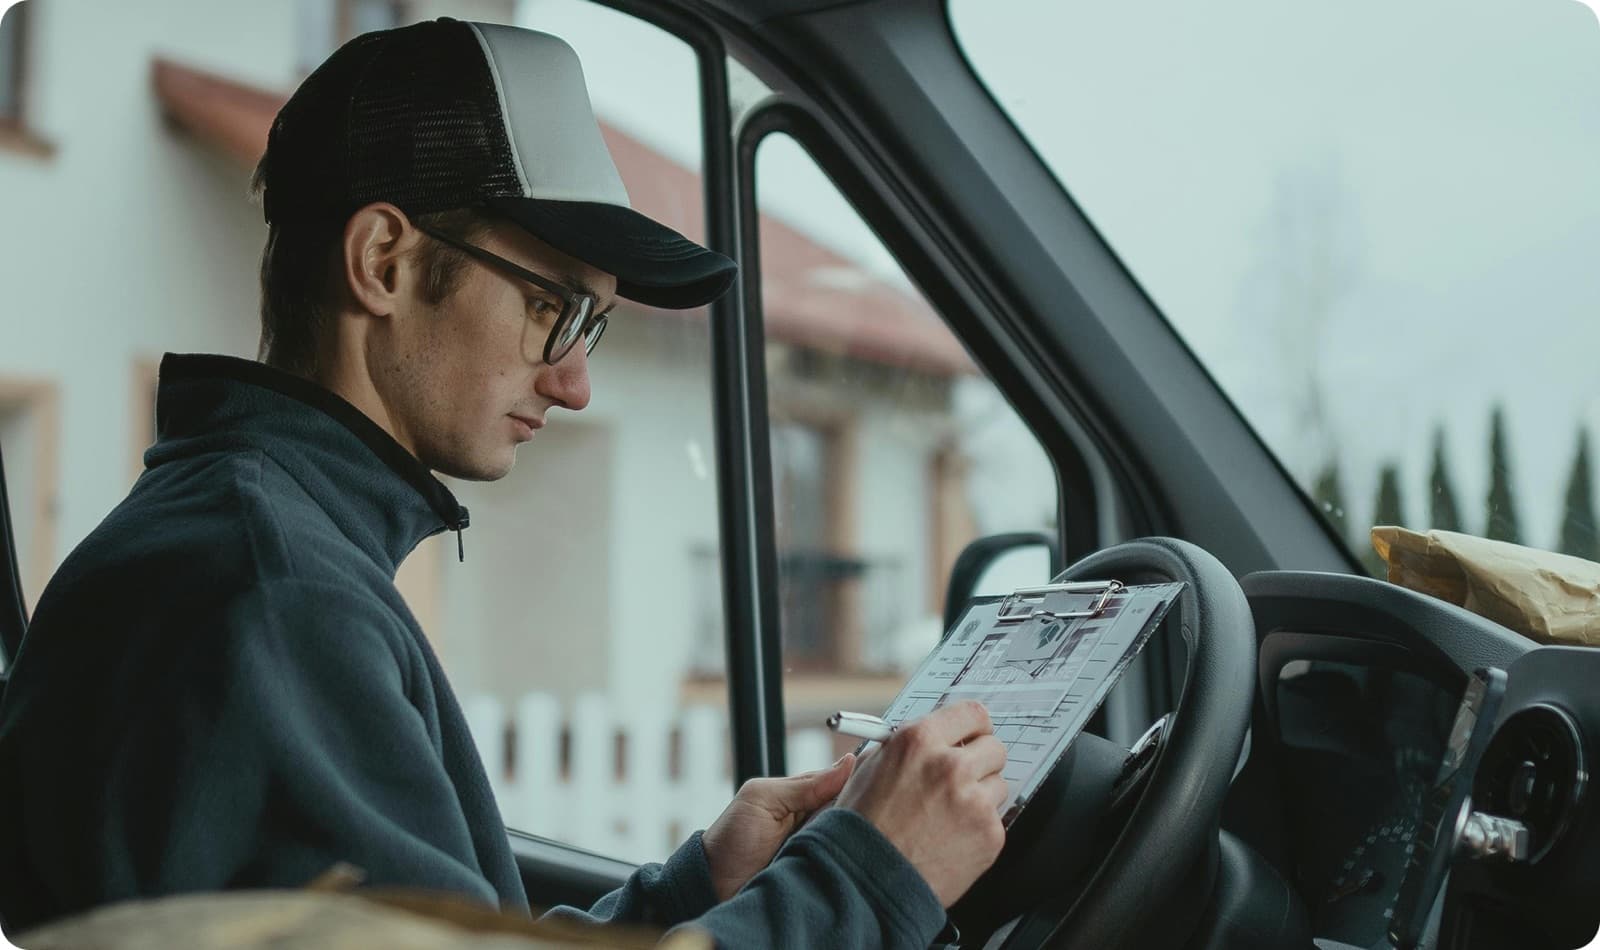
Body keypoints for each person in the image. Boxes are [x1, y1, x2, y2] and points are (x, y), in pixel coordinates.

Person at [0, 18, 1008, 947]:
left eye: (594, 327)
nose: (573, 383)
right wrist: (870, 879)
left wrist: (697, 887)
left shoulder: (252, 541)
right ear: (383, 261)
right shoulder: (277, 597)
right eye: (553, 308)